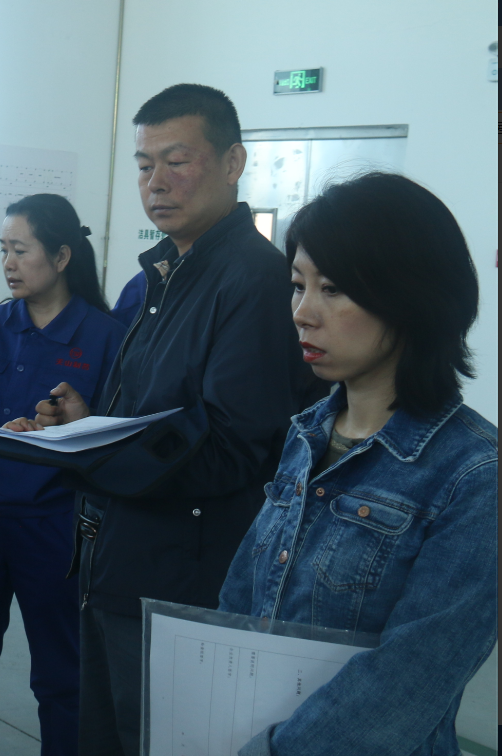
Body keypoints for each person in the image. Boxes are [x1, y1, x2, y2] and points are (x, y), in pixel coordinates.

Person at [8, 84, 322, 755]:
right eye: (144, 164)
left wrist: (93, 453)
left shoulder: (251, 279)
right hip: (118, 560)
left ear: (233, 162)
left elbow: (233, 446)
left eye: (176, 161)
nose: (155, 182)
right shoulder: (167, 271)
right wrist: (86, 423)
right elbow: (160, 413)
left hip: (179, 580)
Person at [217, 172, 496, 756]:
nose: (302, 312)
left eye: (334, 289)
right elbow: (242, 602)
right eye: (298, 285)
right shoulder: (308, 433)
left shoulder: (474, 475)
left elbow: (409, 680)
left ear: (411, 297)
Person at [0, 194, 127, 756]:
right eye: (3, 250)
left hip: (54, 530)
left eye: (21, 250)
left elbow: (118, 443)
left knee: (62, 676)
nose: (9, 264)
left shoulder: (105, 337)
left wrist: (75, 424)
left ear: (61, 257)